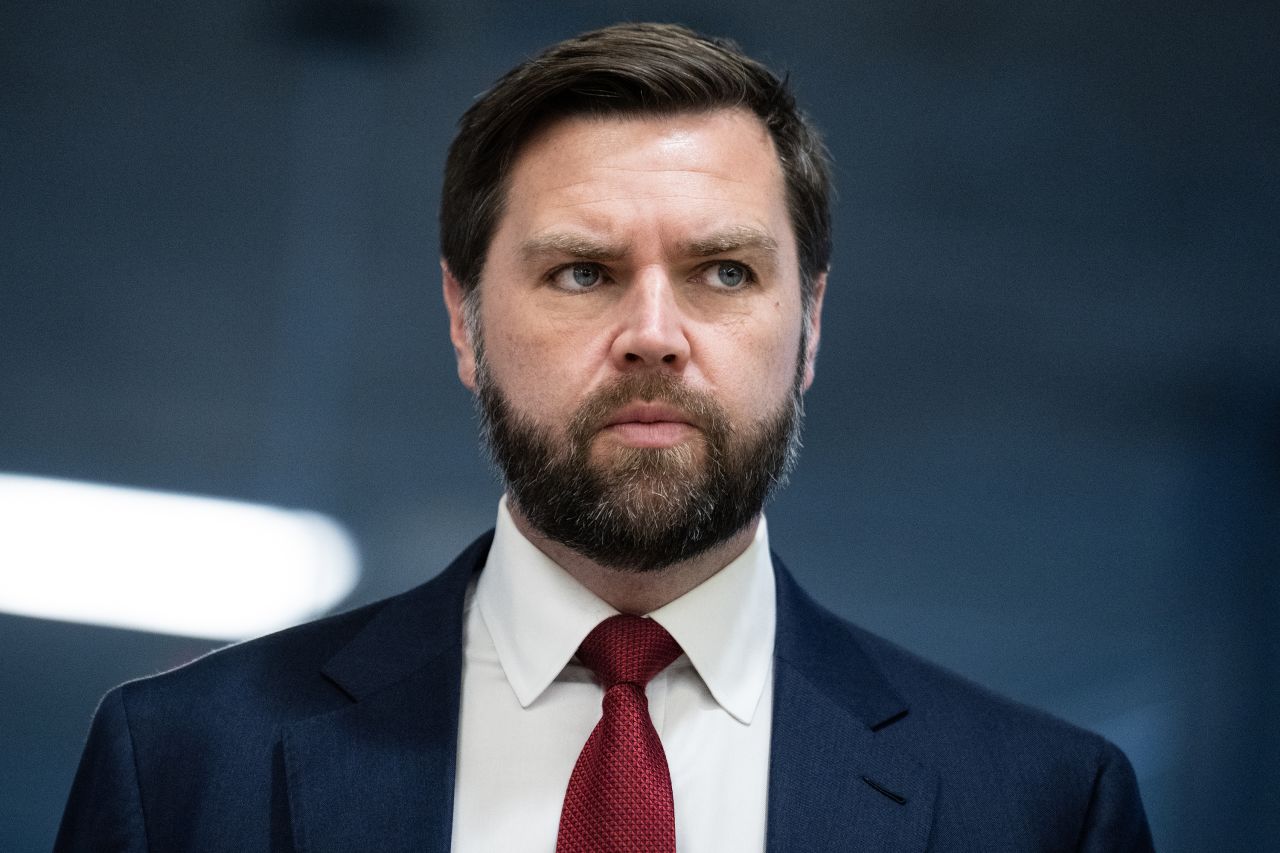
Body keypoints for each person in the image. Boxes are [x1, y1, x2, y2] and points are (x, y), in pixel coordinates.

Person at [55, 22, 1154, 852]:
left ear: (809, 323)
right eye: (580, 272)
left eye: (724, 271)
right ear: (463, 321)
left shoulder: (1042, 807)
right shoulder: (186, 769)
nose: (653, 337)